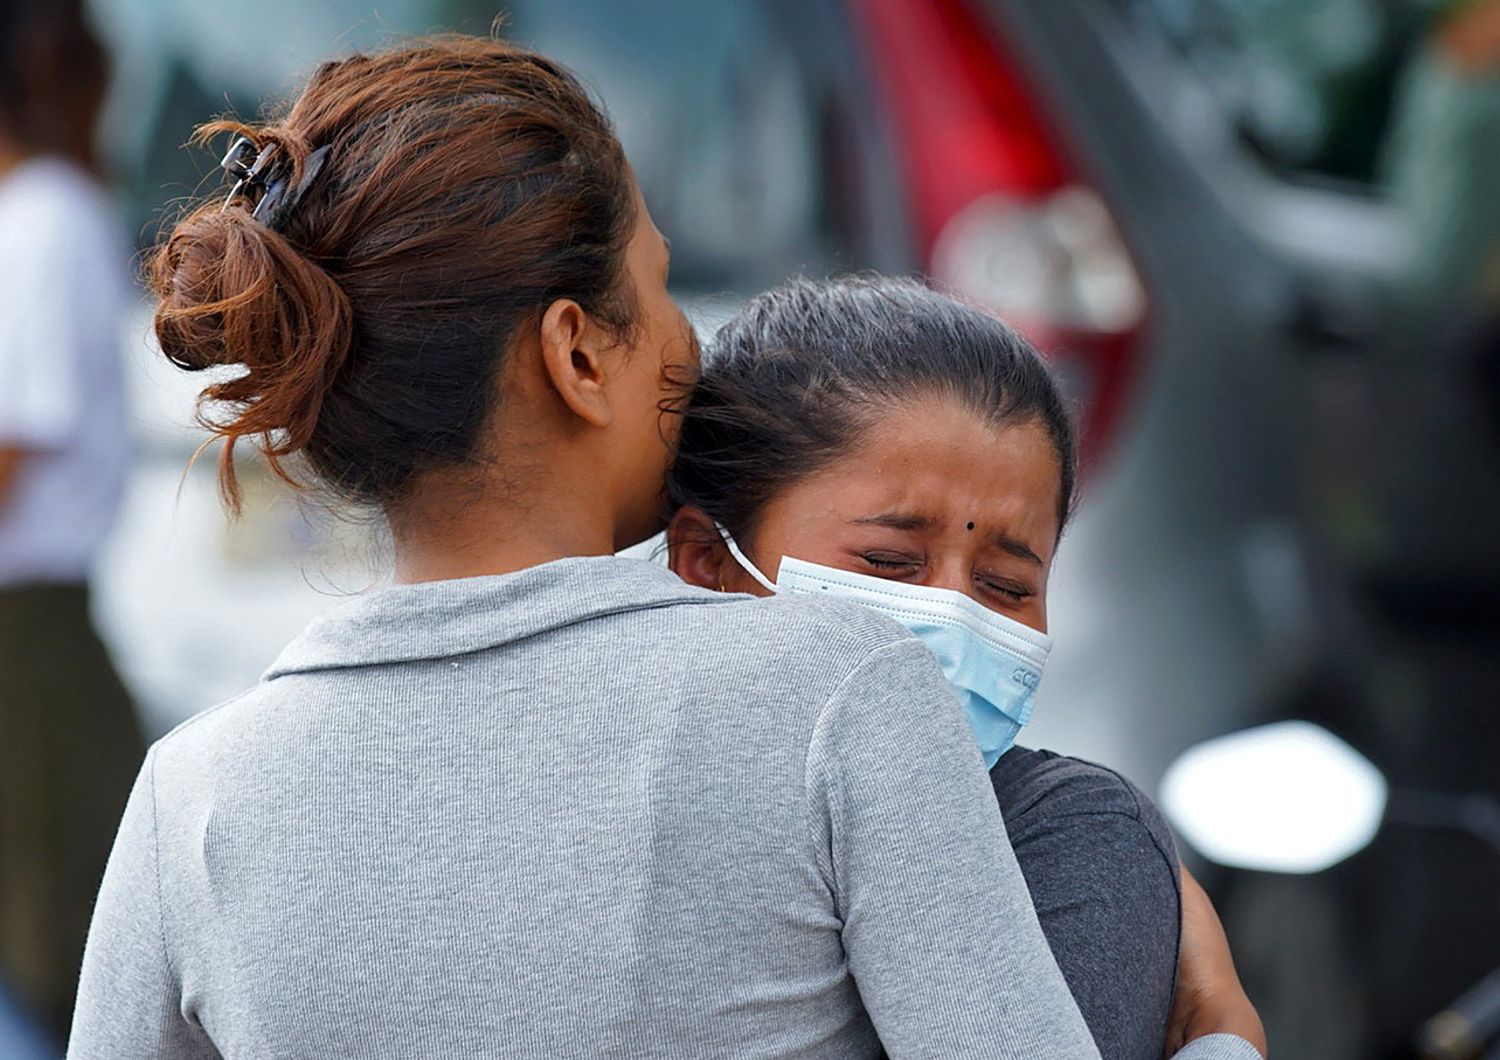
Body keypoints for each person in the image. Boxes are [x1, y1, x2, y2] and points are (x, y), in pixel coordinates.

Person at [70, 36, 1260, 1058]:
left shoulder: (190, 796)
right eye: (662, 284)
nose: (694, 345)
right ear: (579, 356)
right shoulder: (839, 692)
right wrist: (1215, 1026)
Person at [665, 275, 1266, 1059]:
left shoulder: (1062, 843)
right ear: (708, 563)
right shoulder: (574, 794)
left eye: (1006, 586)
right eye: (890, 561)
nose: (952, 615)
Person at [0, 0, 144, 1041]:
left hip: (30, 625)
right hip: (28, 625)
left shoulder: (45, 213)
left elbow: (15, 440)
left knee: (52, 943)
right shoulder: (38, 212)